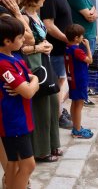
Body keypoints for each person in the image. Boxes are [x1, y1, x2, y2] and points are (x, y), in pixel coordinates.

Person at [20, 0, 62, 163]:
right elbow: (19, 48)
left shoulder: (35, 15)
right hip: (34, 64)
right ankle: (41, 150)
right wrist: (38, 48)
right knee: (41, 108)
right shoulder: (23, 17)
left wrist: (46, 46)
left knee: (52, 103)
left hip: (44, 61)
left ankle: (52, 144)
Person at [0, 0, 35, 182]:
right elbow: (29, 37)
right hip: (9, 110)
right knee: (14, 166)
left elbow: (28, 37)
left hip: (17, 90)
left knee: (16, 165)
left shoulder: (11, 7)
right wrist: (15, 13)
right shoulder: (5, 14)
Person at [0, 16, 39, 189]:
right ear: (7, 41)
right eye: (20, 38)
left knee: (14, 164)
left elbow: (29, 79)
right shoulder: (3, 64)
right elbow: (29, 91)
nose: (24, 40)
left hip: (21, 119)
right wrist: (33, 83)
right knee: (28, 165)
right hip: (13, 122)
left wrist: (33, 80)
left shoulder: (15, 58)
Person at [40, 0, 73, 129]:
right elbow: (49, 25)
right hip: (56, 49)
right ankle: (58, 115)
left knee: (62, 81)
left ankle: (59, 110)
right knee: (57, 82)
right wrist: (67, 39)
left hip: (63, 48)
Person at [67, 0, 98, 106]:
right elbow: (90, 16)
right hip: (82, 37)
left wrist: (92, 12)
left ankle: (85, 90)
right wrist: (92, 13)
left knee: (86, 66)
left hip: (90, 34)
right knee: (82, 66)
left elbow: (95, 11)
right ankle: (82, 95)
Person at [64, 24, 94, 139]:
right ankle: (77, 130)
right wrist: (87, 47)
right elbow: (90, 60)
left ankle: (76, 126)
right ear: (76, 38)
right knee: (79, 104)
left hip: (72, 80)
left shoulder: (67, 47)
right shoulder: (77, 51)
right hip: (80, 80)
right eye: (81, 36)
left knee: (74, 103)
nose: (83, 38)